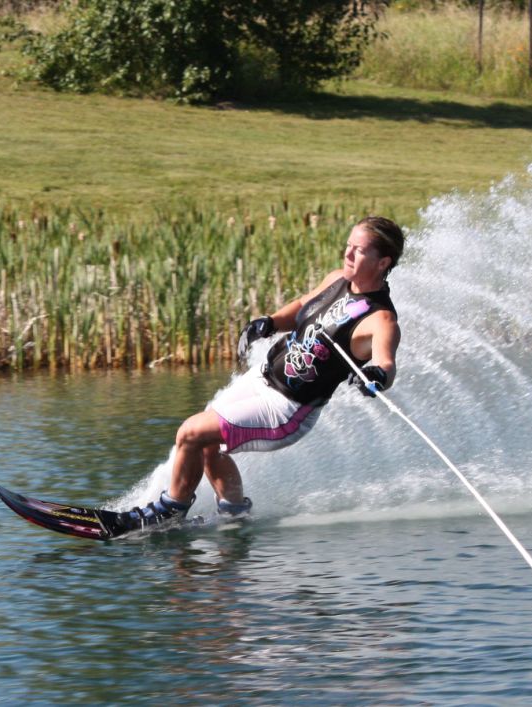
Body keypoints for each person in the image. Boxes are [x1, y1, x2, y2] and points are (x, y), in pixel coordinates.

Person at [120, 216, 405, 530]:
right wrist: (269, 322)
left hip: (286, 409)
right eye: (348, 246)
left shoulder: (381, 319)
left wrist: (377, 375)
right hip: (261, 378)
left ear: (383, 262)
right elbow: (300, 306)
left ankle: (168, 511)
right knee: (206, 444)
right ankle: (235, 514)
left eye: (359, 250)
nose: (348, 254)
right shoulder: (337, 279)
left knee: (190, 432)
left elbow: (386, 362)